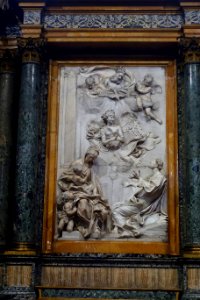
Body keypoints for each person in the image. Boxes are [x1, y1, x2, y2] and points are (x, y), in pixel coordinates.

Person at [57, 147, 112, 239]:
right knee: (83, 205)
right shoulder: (77, 164)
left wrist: (92, 190)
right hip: (75, 191)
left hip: (86, 191)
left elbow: (91, 183)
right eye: (91, 157)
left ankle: (94, 227)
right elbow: (64, 177)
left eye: (94, 158)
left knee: (100, 207)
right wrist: (75, 179)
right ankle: (84, 227)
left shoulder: (89, 169)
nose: (92, 160)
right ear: (86, 155)